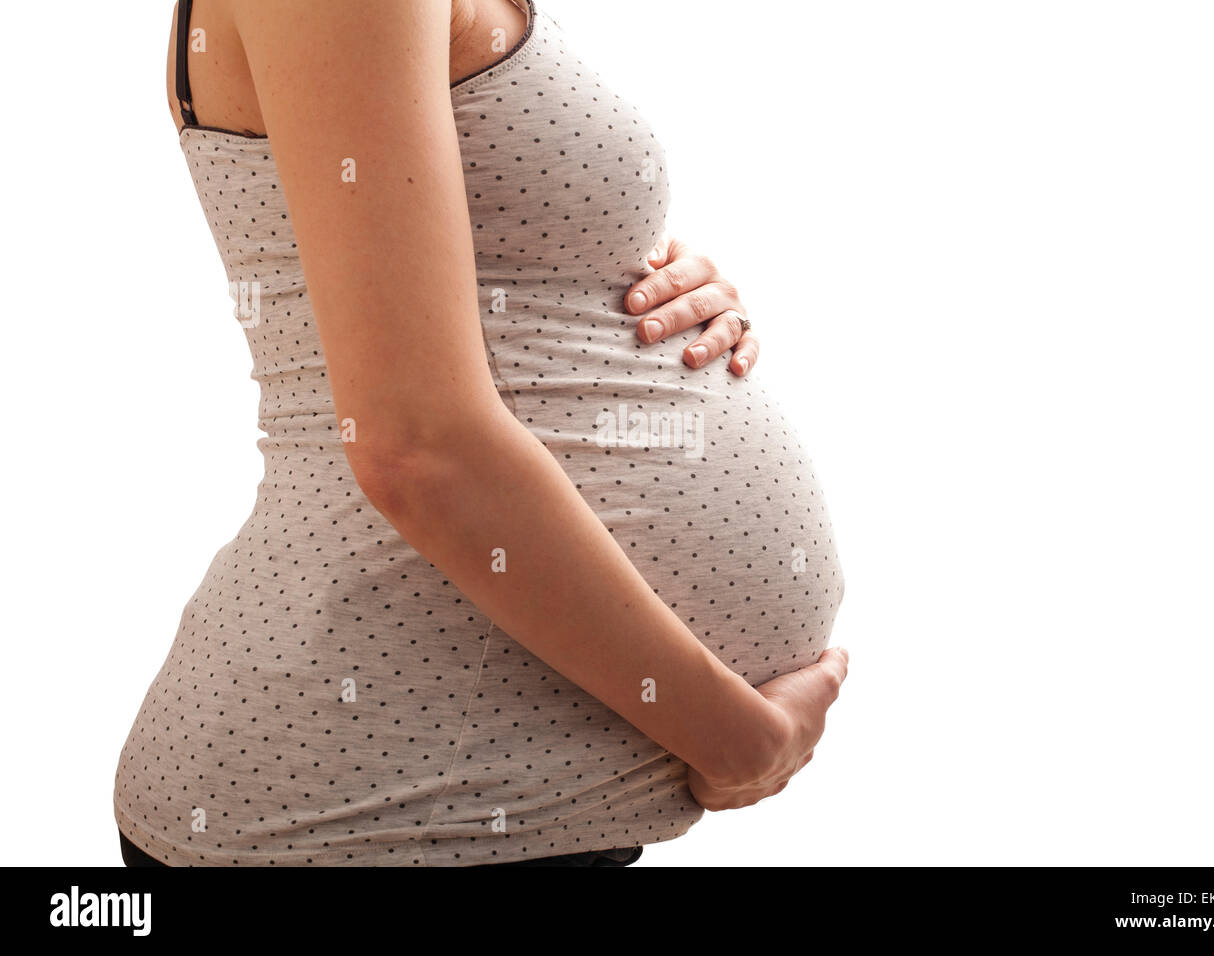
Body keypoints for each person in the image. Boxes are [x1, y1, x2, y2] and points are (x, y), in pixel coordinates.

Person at [114, 0, 847, 867]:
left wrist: (627, 286)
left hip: (498, 788)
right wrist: (738, 737)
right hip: (371, 808)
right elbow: (418, 449)